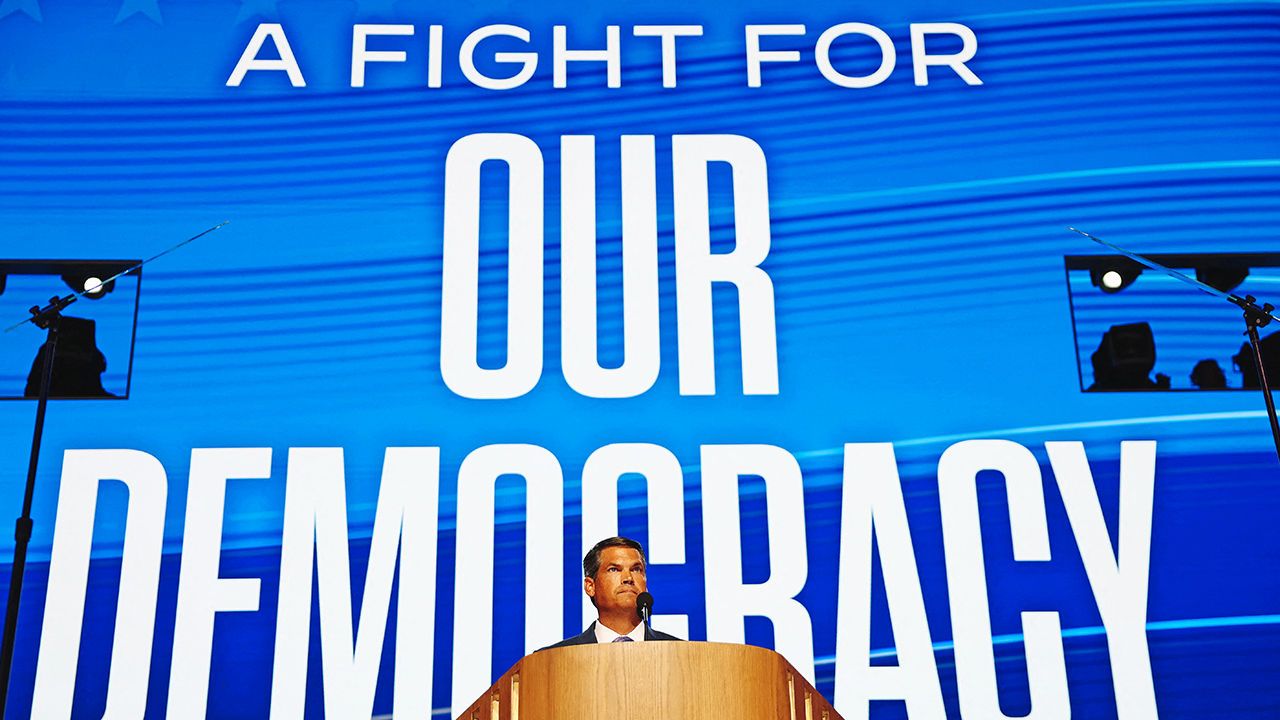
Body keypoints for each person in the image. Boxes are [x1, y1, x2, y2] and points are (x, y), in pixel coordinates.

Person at [543, 536, 681, 647]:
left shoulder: (680, 652)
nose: (628, 578)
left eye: (636, 569)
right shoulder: (552, 658)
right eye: (614, 569)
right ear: (590, 586)